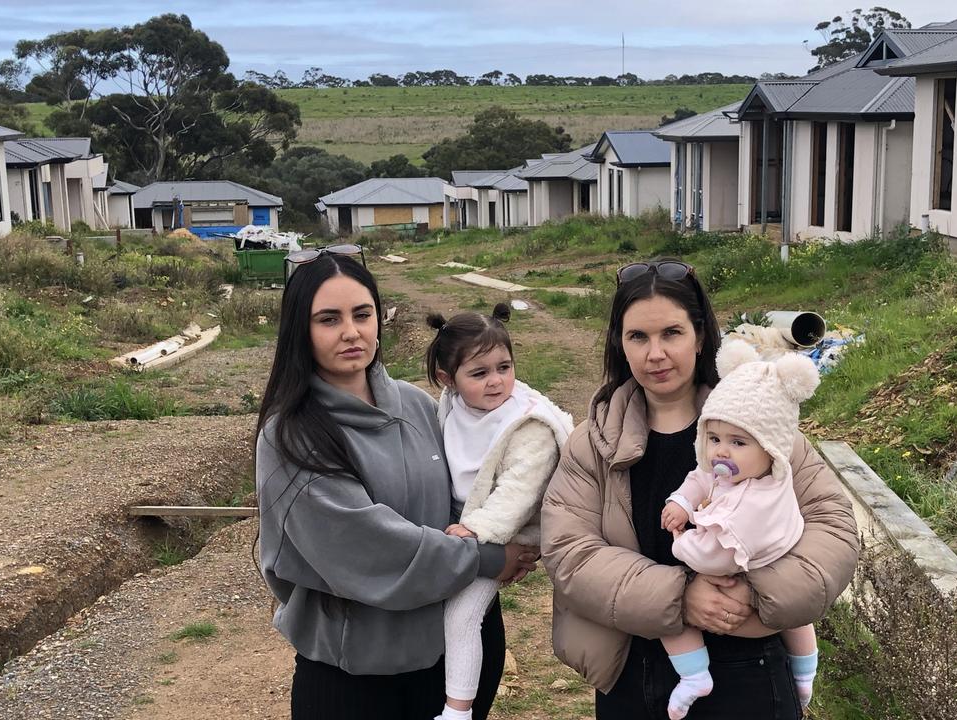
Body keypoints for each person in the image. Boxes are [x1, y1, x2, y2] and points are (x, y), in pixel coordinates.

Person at [541, 259, 860, 720]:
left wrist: (754, 595)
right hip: (632, 664)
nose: (655, 354)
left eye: (672, 333)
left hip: (747, 666)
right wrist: (679, 598)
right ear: (620, 343)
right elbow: (569, 551)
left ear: (700, 335)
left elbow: (834, 529)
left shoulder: (759, 424)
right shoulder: (593, 441)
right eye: (638, 337)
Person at [255, 248, 538, 720]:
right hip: (359, 674)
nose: (351, 332)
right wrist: (488, 558)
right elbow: (367, 548)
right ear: (300, 331)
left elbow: (467, 493)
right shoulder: (292, 436)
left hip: (455, 657)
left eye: (362, 314)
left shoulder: (416, 404)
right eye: (329, 319)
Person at [658, 340, 823, 719]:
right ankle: (805, 672)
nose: (721, 452)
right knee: (797, 619)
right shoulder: (740, 471)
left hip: (742, 568)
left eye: (737, 442)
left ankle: (695, 674)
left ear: (771, 449)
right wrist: (681, 502)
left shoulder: (754, 501)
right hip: (760, 570)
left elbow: (713, 555)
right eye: (713, 439)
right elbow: (699, 478)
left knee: (667, 614)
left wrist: (682, 543)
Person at [426, 304, 575, 720]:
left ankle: (457, 710)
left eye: (503, 367)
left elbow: (518, 493)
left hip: (512, 530)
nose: (496, 382)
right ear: (447, 380)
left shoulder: (528, 424)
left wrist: (474, 530)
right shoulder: (452, 407)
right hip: (469, 520)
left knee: (462, 614)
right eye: (479, 373)